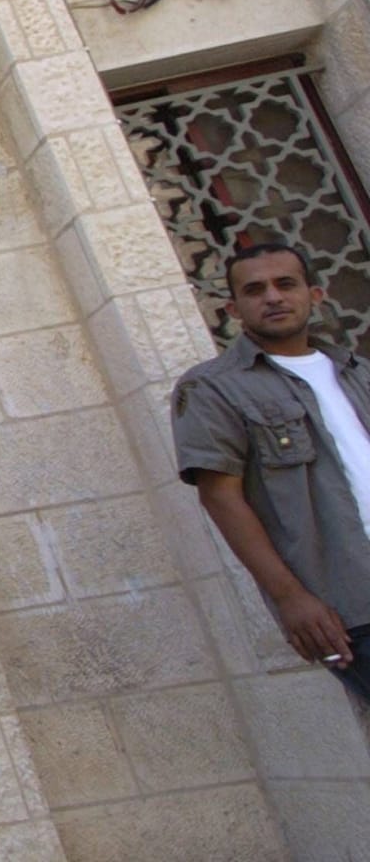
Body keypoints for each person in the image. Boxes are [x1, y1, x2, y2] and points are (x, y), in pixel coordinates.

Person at [172, 242, 370, 703]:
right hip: (351, 606)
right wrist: (289, 598)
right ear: (234, 308)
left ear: (315, 295)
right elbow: (221, 497)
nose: (273, 297)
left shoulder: (358, 372)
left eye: (285, 284)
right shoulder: (212, 388)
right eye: (255, 290)